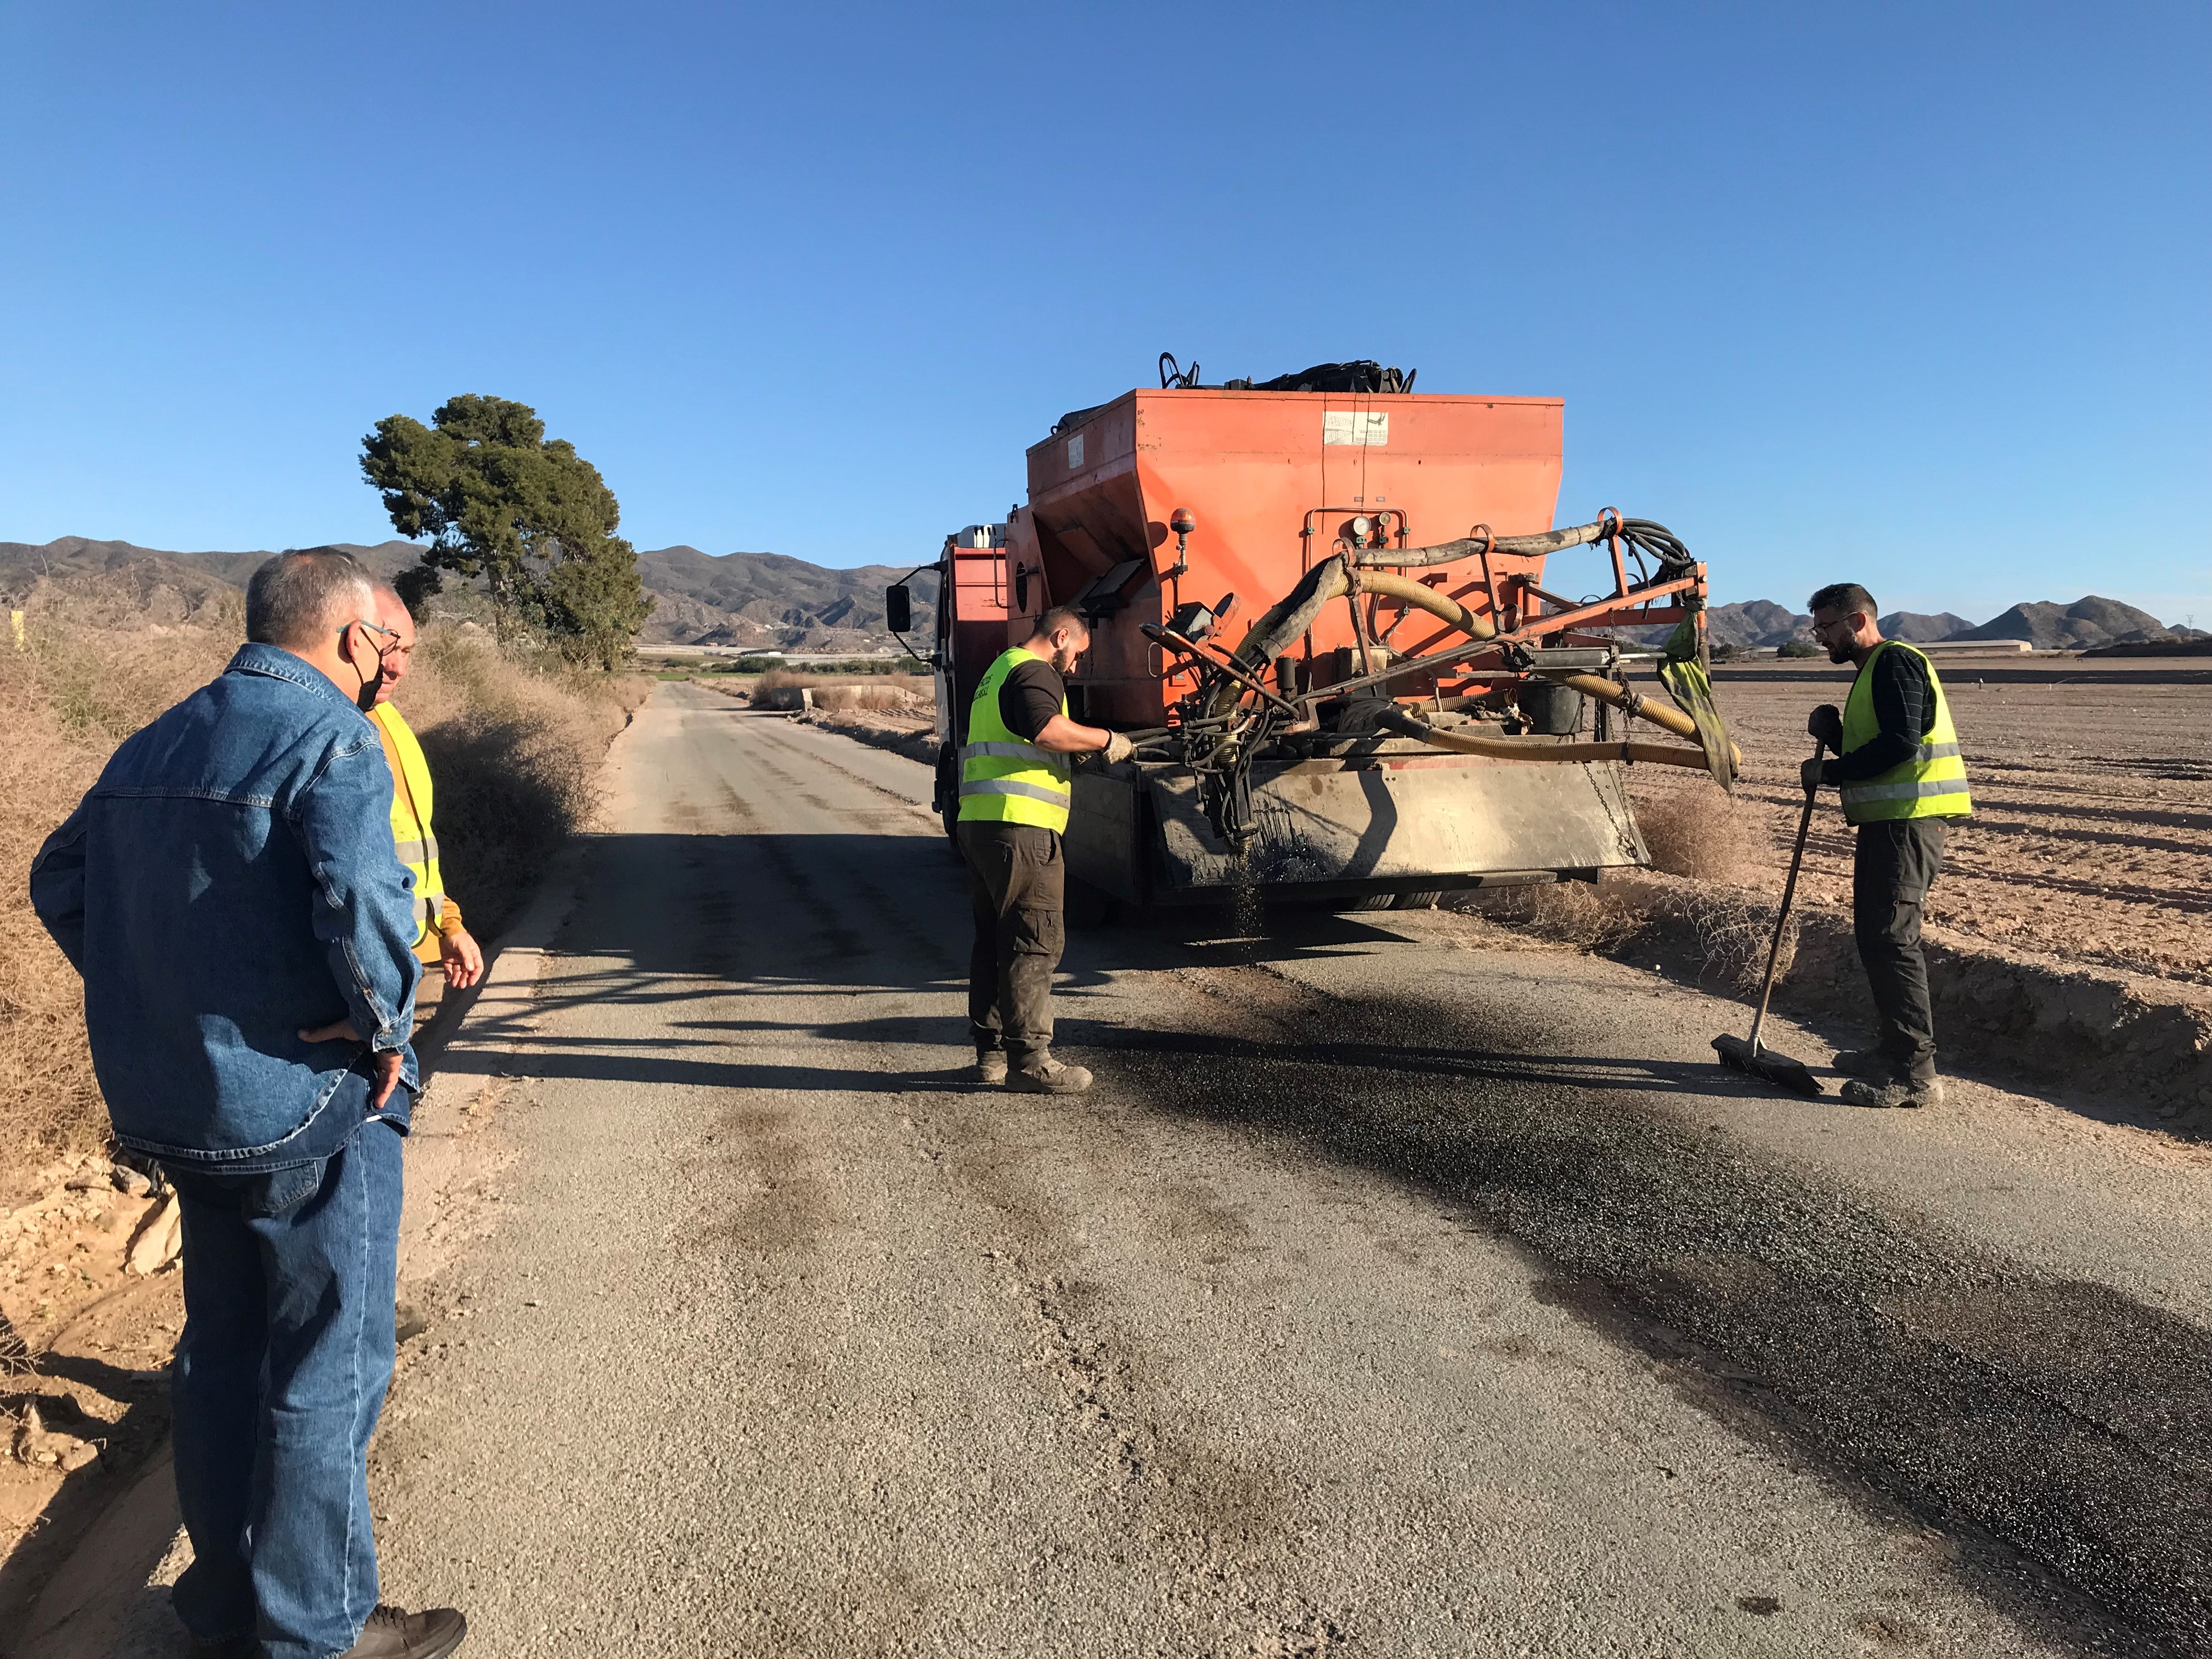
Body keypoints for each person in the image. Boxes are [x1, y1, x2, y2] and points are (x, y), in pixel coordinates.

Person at [29, 551, 468, 1659]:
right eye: (398, 647)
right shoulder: (334, 736)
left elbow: (57, 879)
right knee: (329, 1362)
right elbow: (364, 903)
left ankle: (221, 1604)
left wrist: (165, 1000)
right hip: (307, 1110)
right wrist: (375, 1030)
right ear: (357, 638)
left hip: (177, 1106)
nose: (398, 669)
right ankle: (318, 1628)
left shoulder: (158, 736)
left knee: (221, 1352)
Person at [1801, 582, 1973, 1109]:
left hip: (1911, 820)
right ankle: (1891, 1049)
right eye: (1817, 630)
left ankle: (1914, 1072)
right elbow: (1885, 739)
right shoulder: (1873, 671)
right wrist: (1834, 736)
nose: (1821, 639)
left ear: (1857, 622)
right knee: (1876, 936)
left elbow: (1903, 742)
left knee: (1892, 937)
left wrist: (1831, 770)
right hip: (1889, 821)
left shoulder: (1896, 661)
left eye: (1826, 628)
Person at [957, 606, 1132, 1094]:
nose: (1075, 666)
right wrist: (1105, 739)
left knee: (992, 941)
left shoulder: (998, 670)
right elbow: (1044, 729)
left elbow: (1024, 735)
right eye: (1076, 654)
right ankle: (1031, 1061)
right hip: (1022, 828)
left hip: (982, 824)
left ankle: (991, 1054)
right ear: (1061, 637)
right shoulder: (1035, 672)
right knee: (1034, 940)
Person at [367, 585, 484, 1017]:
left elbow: (415, 856)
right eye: (386, 648)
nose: (399, 668)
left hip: (400, 967)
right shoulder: (326, 735)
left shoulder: (390, 721)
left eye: (408, 651)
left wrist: (447, 926)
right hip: (358, 986)